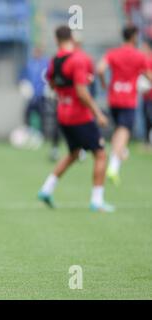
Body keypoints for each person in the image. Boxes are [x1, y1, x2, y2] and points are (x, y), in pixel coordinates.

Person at [38, 26, 114, 212]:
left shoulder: (54, 60)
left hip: (62, 114)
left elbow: (52, 82)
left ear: (56, 40)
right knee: (101, 154)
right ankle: (97, 201)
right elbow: (81, 92)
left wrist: (67, 91)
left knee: (73, 153)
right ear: (72, 38)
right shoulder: (77, 59)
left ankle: (46, 189)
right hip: (79, 116)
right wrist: (98, 113)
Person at [96, 25, 152, 186]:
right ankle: (113, 166)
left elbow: (100, 69)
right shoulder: (140, 56)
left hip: (113, 98)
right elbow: (149, 76)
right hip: (128, 99)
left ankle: (120, 152)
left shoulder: (113, 53)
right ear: (134, 37)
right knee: (124, 131)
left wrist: (104, 83)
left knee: (119, 131)